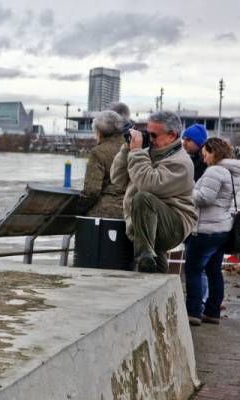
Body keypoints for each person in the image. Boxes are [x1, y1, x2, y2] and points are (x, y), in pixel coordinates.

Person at [111, 110, 197, 273]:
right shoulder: (146, 154)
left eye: (153, 135)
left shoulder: (181, 163)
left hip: (174, 226)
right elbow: (118, 180)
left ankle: (144, 256)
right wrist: (127, 148)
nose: (149, 139)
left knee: (143, 198)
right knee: (158, 276)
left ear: (172, 135)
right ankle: (160, 285)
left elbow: (148, 185)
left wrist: (136, 152)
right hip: (148, 226)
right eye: (147, 133)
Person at [184, 138, 240, 326]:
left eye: (206, 154)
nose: (204, 158)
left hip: (206, 229)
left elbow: (204, 199)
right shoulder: (232, 172)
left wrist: (187, 189)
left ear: (214, 152)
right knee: (214, 271)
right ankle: (212, 312)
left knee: (193, 270)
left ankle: (193, 312)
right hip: (222, 228)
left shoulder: (215, 171)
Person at [75, 110, 126, 218]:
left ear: (99, 132)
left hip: (107, 212)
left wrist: (79, 209)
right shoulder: (131, 147)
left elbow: (92, 191)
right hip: (131, 209)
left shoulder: (98, 152)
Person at [181, 123, 209, 301]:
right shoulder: (194, 160)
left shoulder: (201, 165)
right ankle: (203, 301)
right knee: (202, 267)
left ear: (198, 143)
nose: (184, 142)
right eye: (183, 138)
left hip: (199, 223)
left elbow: (199, 194)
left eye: (188, 139)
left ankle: (198, 304)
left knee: (196, 267)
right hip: (197, 221)